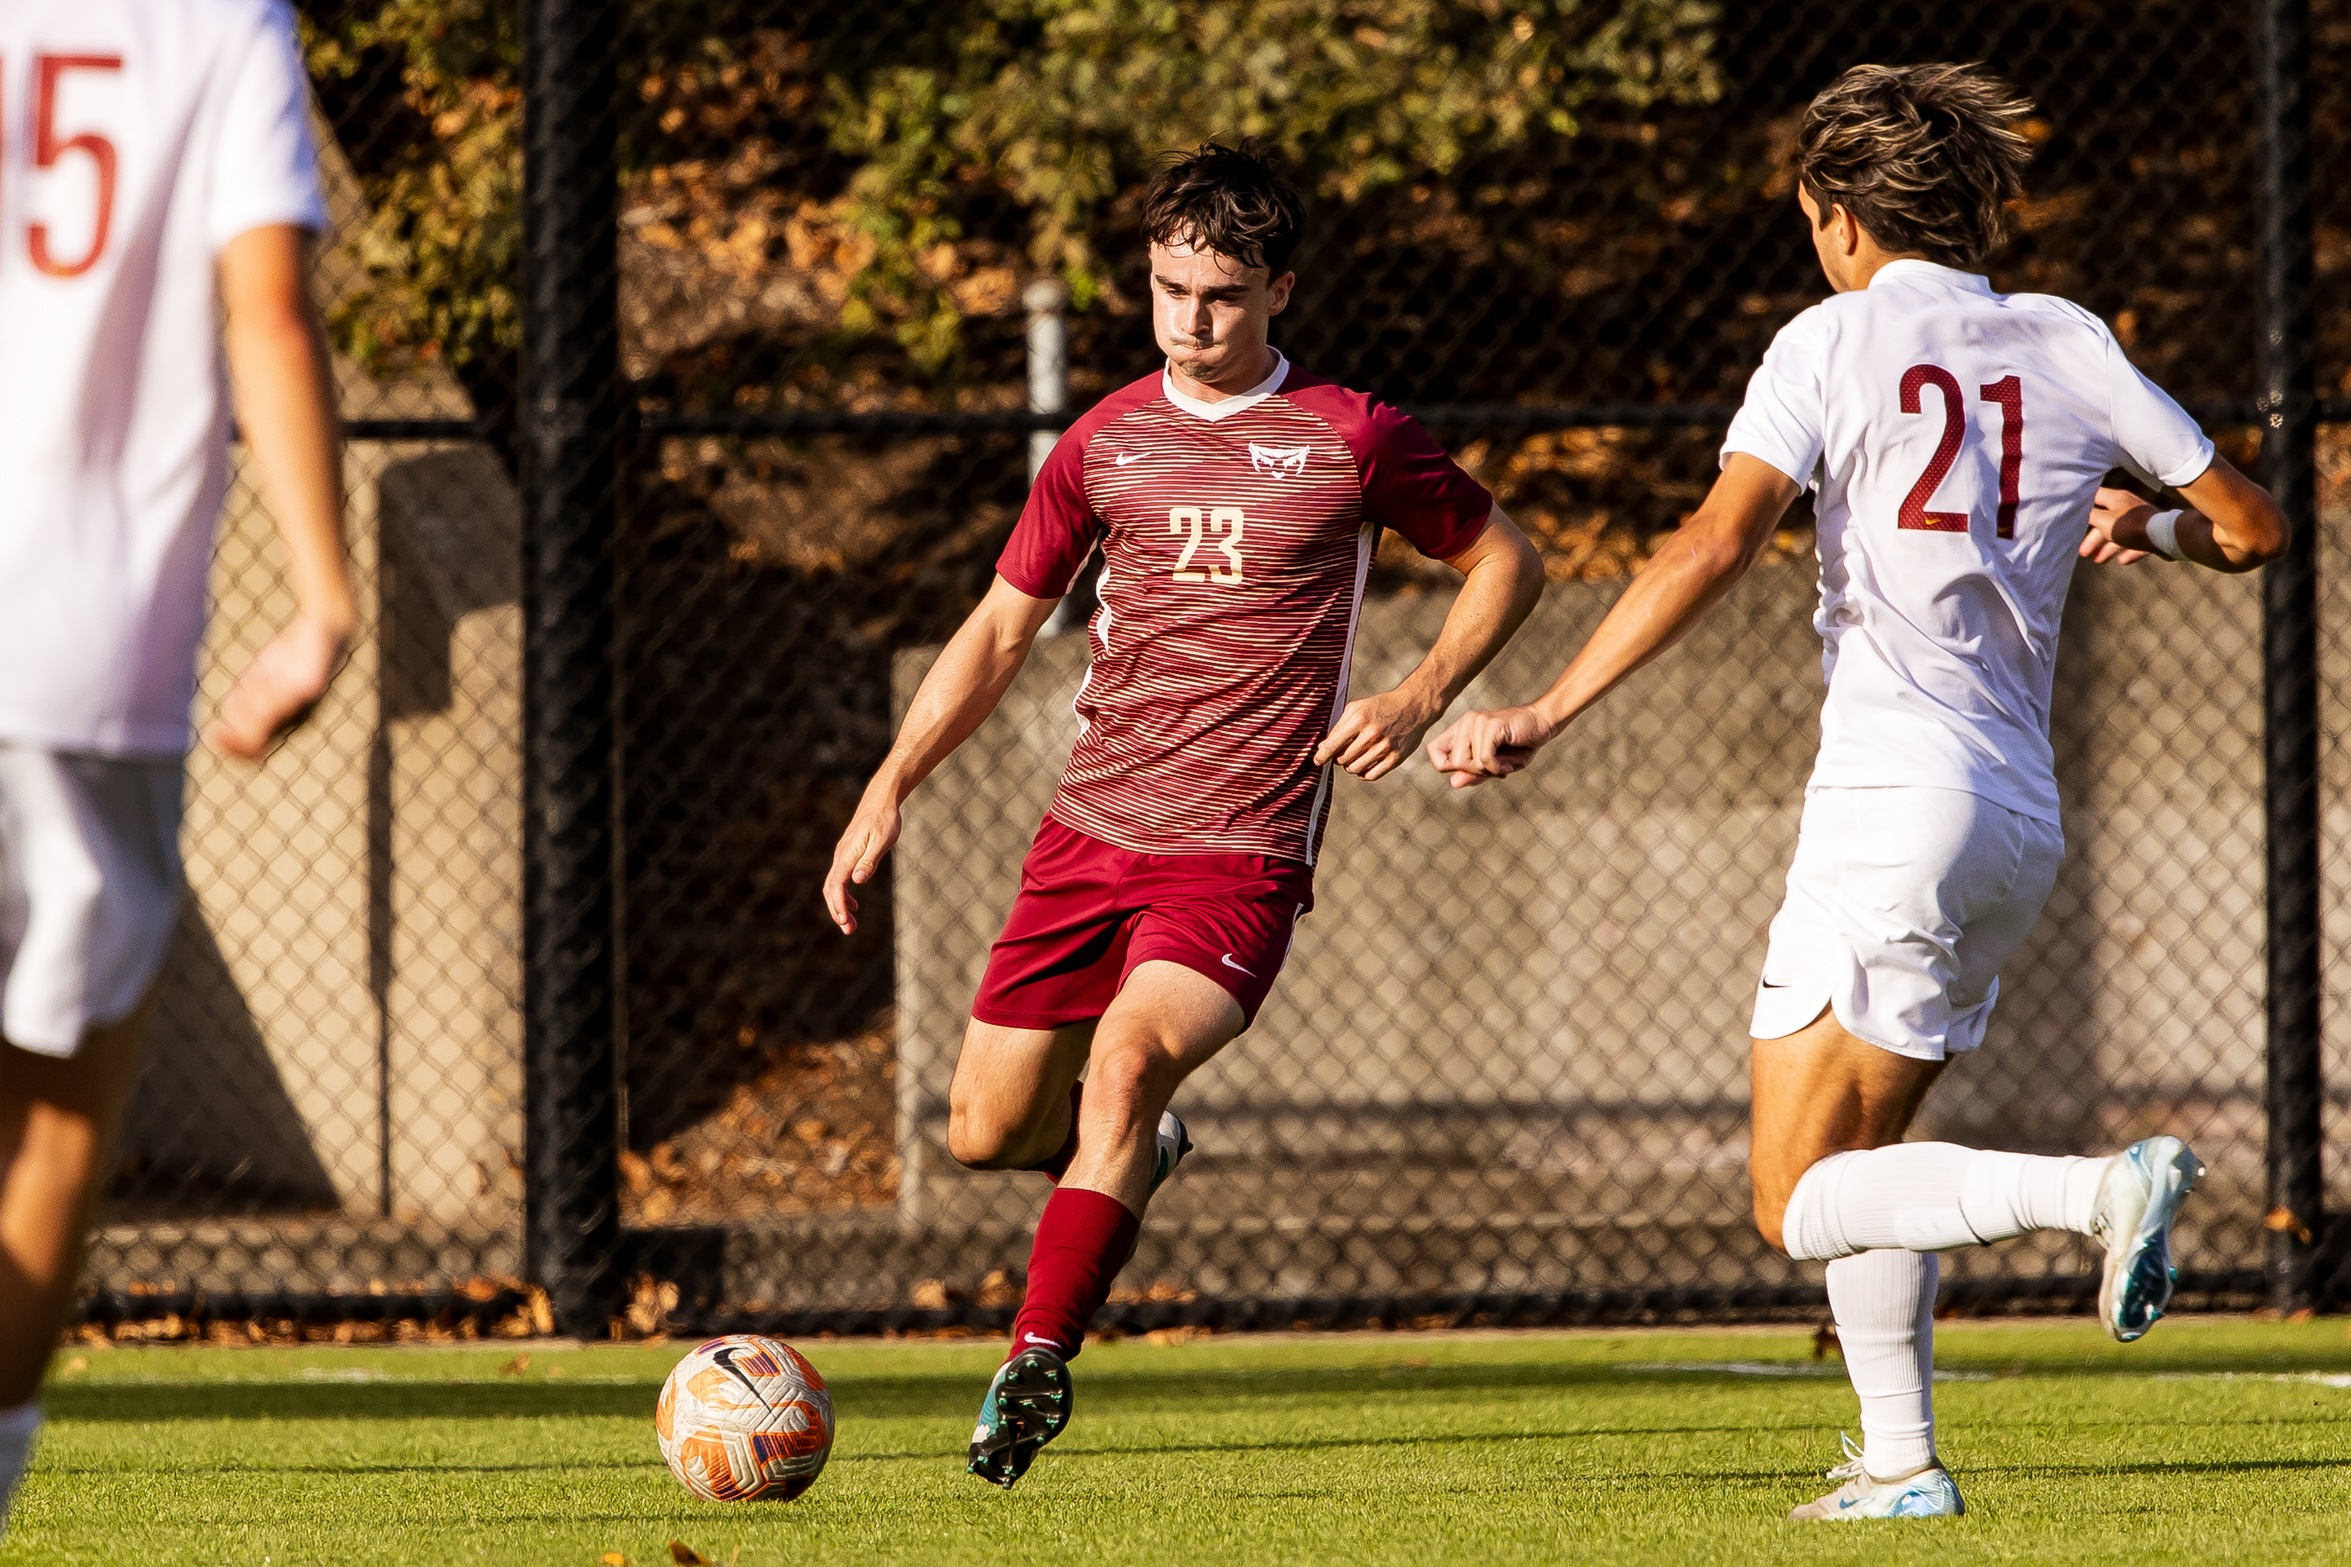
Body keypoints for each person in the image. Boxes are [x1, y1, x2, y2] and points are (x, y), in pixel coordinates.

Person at [1428, 62, 2288, 1520]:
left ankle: (2101, 1192)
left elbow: (1709, 546)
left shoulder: (1827, 341)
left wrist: (1545, 708)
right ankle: (1901, 1466)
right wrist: (2149, 525)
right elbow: (2256, 528)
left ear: (1837, 219)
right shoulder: (2065, 336)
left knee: (1793, 1198)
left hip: (1894, 800)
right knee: (1868, 1164)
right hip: (2020, 824)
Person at [823, 143, 1544, 1489]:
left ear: (1281, 289)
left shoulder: (1352, 433)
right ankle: (1130, 1157)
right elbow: (996, 631)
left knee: (1129, 1060)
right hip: (1086, 836)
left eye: (1219, 293)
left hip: (1239, 852)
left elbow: (1508, 557)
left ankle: (1035, 1357)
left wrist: (1423, 684)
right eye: (1168, 288)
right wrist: (889, 784)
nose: (1189, 319)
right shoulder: (1101, 441)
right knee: (983, 1129)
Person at [0, 0, 350, 1524]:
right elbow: (264, 308)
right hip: (85, 653)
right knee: (59, 1117)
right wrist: (324, 600)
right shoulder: (219, 24)